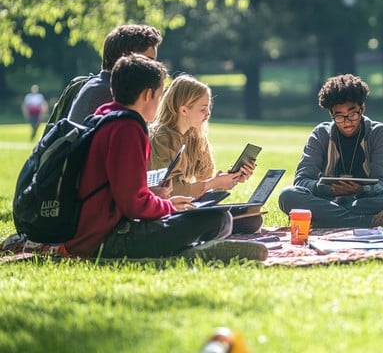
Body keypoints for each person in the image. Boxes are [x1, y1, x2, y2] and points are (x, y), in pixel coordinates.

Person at [61, 54, 266, 261]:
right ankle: (194, 253)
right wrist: (167, 206)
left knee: (229, 218)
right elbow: (133, 204)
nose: (160, 103)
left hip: (100, 231)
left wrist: (156, 195)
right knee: (219, 220)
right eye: (159, 96)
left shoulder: (104, 117)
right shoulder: (128, 129)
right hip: (110, 238)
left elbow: (123, 192)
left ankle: (195, 249)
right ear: (148, 95)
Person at [278, 74, 383, 229]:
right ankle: (366, 222)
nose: (347, 122)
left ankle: (326, 219)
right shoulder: (320, 134)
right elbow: (301, 181)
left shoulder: (378, 133)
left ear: (362, 109)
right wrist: (327, 189)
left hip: (362, 202)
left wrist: (362, 189)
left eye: (352, 114)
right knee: (287, 196)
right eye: (339, 117)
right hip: (328, 201)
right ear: (331, 115)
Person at [148, 74, 260, 234]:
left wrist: (228, 179)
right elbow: (170, 190)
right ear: (184, 109)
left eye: (208, 107)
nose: (207, 113)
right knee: (221, 220)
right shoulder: (162, 139)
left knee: (252, 218)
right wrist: (214, 183)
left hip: (190, 206)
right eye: (202, 109)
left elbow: (204, 185)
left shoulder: (196, 136)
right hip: (167, 209)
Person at [67, 24, 163, 123]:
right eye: (148, 62)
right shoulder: (112, 95)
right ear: (127, 60)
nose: (153, 68)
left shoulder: (97, 85)